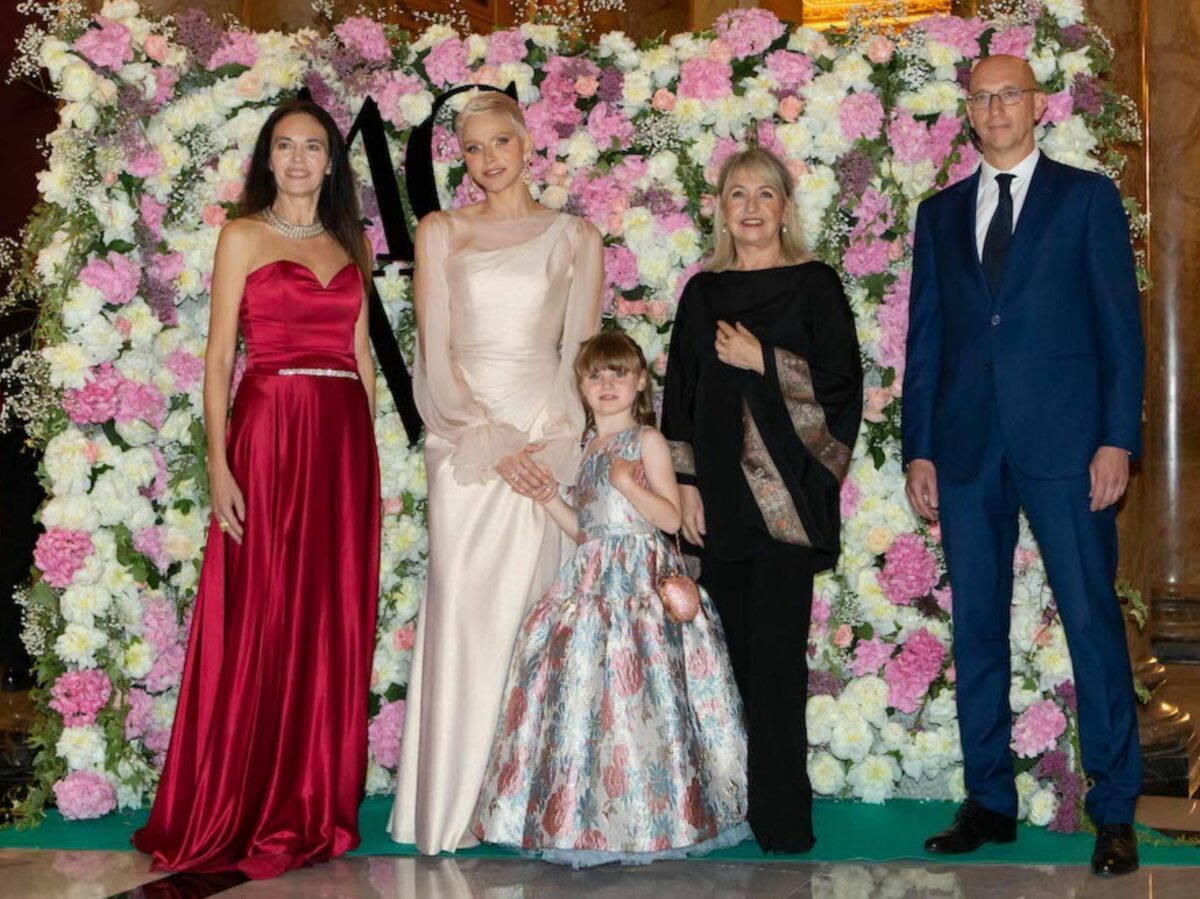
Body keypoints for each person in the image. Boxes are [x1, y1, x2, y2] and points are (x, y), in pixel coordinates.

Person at [902, 54, 1144, 877]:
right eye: (981, 96)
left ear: (1038, 105)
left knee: (1089, 619)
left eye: (1010, 94)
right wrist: (919, 447)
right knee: (976, 627)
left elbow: (1120, 329)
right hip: (966, 449)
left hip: (1069, 448)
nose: (996, 107)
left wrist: (1116, 438)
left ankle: (1114, 809)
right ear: (967, 112)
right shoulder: (937, 215)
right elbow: (926, 340)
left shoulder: (1087, 198)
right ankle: (989, 801)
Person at [132, 99, 380, 878]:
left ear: (333, 161)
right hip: (268, 430)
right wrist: (218, 464)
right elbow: (216, 360)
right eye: (286, 146)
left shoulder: (353, 240)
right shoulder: (241, 235)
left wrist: (368, 455)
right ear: (267, 160)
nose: (300, 159)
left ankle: (310, 799)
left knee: (327, 617)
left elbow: (362, 351)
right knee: (265, 609)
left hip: (341, 441)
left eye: (314, 146)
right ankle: (240, 797)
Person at [389, 91, 603, 854]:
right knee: (464, 614)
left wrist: (547, 443)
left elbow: (579, 354)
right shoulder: (441, 230)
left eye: (499, 143)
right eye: (473, 148)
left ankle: (524, 804)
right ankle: (450, 805)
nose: (487, 160)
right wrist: (484, 434)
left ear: (526, 142)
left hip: (545, 444)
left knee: (533, 621)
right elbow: (434, 351)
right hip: (465, 445)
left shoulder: (576, 235)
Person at [472, 331, 749, 865]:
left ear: (641, 382)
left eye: (618, 373)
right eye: (595, 375)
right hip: (591, 577)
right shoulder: (587, 449)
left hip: (639, 585)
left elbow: (670, 518)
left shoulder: (646, 441)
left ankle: (653, 816)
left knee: (641, 700)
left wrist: (628, 484)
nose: (606, 384)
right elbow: (587, 529)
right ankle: (589, 816)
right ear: (580, 385)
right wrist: (552, 497)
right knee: (588, 701)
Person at [661, 147, 863, 853]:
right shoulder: (702, 294)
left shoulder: (815, 285)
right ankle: (725, 807)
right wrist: (682, 487)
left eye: (765, 194)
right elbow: (678, 398)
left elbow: (842, 389)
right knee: (727, 665)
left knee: (776, 665)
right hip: (715, 506)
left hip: (784, 514)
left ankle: (783, 820)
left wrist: (766, 362)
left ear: (784, 208)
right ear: (720, 207)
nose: (750, 206)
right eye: (736, 193)